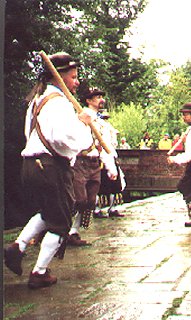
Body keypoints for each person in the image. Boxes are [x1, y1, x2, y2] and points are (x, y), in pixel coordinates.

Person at [4, 52, 94, 289]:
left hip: (31, 165)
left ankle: (17, 248)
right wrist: (83, 126)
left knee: (48, 212)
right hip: (50, 167)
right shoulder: (58, 103)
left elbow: (29, 134)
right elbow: (64, 139)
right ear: (60, 77)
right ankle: (39, 272)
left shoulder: (38, 100)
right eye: (73, 77)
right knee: (61, 221)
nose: (77, 82)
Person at [68, 87, 118, 242]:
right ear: (88, 101)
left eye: (101, 97)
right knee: (80, 200)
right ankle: (60, 228)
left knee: (90, 201)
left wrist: (111, 167)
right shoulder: (80, 116)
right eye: (97, 97)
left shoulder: (101, 122)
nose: (101, 100)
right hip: (80, 162)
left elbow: (105, 146)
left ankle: (73, 232)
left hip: (95, 163)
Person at [94, 110, 126, 218]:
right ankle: (97, 209)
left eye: (107, 118)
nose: (105, 121)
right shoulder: (97, 129)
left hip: (111, 156)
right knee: (102, 187)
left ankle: (113, 208)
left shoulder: (110, 129)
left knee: (115, 185)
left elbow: (113, 145)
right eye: (104, 118)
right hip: (101, 159)